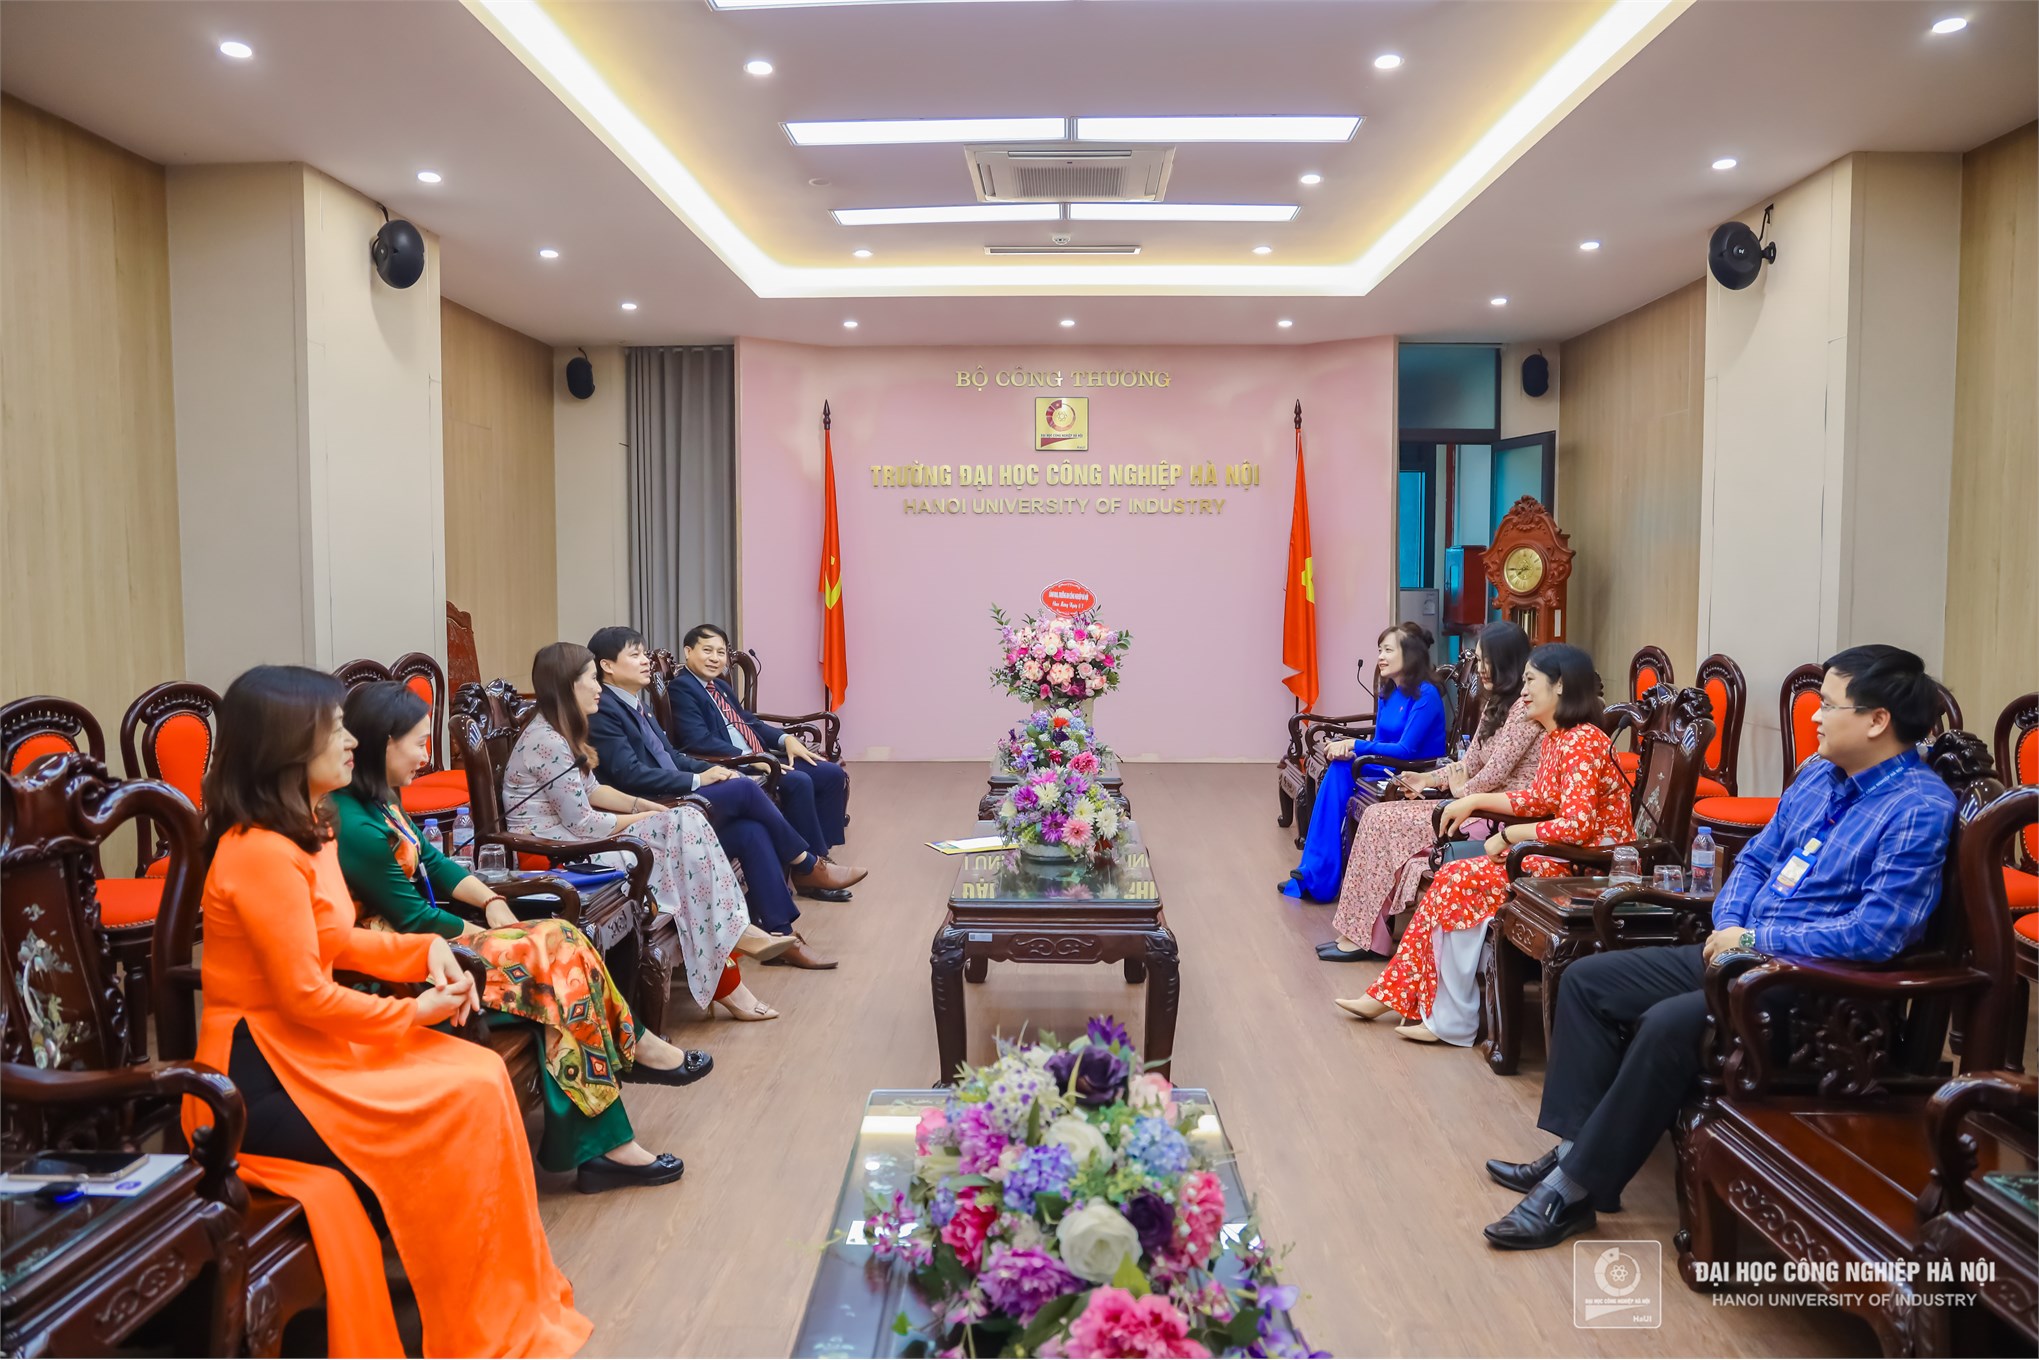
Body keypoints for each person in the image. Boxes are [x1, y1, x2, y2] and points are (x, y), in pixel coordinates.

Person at [1482, 645, 1959, 1250]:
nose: (1813, 717)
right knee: (1589, 981)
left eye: (1829, 705)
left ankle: (1573, 1191)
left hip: (1809, 986)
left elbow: (1879, 933)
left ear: (1877, 720)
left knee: (1666, 1024)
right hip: (1738, 954)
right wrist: (1729, 928)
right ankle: (1577, 1150)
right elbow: (1757, 858)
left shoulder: (1918, 807)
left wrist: (1758, 940)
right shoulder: (1818, 775)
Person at [182, 665, 590, 1357]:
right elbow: (304, 995)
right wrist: (418, 1014)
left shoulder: (309, 831)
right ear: (287, 745)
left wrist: (419, 956)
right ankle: (465, 1312)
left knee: (480, 1079)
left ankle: (489, 1301)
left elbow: (337, 940)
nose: (350, 741)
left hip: (310, 1047)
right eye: (334, 728)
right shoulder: (256, 854)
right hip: (259, 1076)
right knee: (463, 1091)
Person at [335, 680, 707, 1192]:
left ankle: (612, 1131)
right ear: (384, 742)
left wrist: (491, 902)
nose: (426, 756)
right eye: (419, 743)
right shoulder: (352, 824)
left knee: (560, 944)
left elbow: (436, 863)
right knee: (558, 955)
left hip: (430, 944)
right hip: (404, 966)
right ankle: (632, 1066)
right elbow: (415, 919)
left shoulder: (379, 802)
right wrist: (495, 932)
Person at [1336, 643, 1632, 1044]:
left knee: (1456, 881)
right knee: (1452, 878)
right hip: (1558, 858)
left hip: (1584, 867)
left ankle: (1440, 1015)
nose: (1523, 691)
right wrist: (1473, 801)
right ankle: (1415, 1003)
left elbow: (1577, 825)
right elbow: (1539, 800)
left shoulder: (1580, 741)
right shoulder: (1558, 738)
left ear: (1559, 686)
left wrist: (1508, 835)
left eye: (1531, 681)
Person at [505, 642, 778, 1021]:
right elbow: (582, 823)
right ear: (568, 686)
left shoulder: (561, 729)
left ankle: (732, 946)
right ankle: (732, 947)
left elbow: (593, 791)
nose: (599, 687)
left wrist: (644, 807)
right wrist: (646, 820)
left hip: (580, 840)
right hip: (559, 852)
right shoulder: (548, 741)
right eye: (591, 679)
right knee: (681, 829)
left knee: (688, 819)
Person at [586, 625, 860, 966]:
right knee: (746, 786)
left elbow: (671, 754)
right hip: (654, 810)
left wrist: (710, 771)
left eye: (645, 654)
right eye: (636, 655)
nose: (646, 662)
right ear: (607, 666)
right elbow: (630, 775)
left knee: (751, 832)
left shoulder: (634, 703)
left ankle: (779, 934)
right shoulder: (604, 710)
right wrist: (698, 780)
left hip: (672, 798)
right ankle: (806, 863)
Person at [1319, 622, 1542, 961]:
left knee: (1382, 821)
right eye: (1478, 661)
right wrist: (1428, 781)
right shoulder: (1495, 706)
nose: (1480, 669)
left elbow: (1491, 775)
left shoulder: (1524, 712)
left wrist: (1457, 789)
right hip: (1467, 803)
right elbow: (1467, 763)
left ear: (1507, 661)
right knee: (1376, 817)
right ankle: (1360, 933)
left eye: (1486, 661)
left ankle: (1364, 937)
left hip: (1493, 814)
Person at [1280, 623, 1449, 903]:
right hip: (1386, 764)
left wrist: (1355, 745)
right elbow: (1381, 739)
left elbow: (1406, 750)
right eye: (1379, 650)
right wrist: (1351, 751)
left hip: (1414, 773)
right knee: (1337, 767)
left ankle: (1319, 875)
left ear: (1410, 654)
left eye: (1387, 650)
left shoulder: (1426, 695)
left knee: (1340, 768)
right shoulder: (1390, 690)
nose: (1380, 657)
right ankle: (1314, 871)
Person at [667, 624, 852, 862]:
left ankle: (822, 851)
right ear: (688, 651)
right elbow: (698, 740)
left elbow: (748, 721)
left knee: (831, 773)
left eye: (721, 652)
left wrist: (785, 739)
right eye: (707, 650)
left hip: (761, 756)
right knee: (798, 781)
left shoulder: (719, 686)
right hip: (736, 763)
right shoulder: (682, 688)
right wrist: (754, 760)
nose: (715, 658)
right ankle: (810, 865)